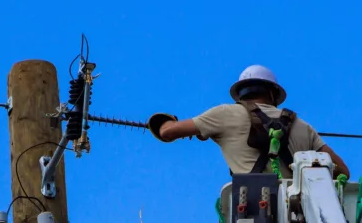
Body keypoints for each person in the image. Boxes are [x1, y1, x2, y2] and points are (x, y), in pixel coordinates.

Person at [146, 65, 350, 179]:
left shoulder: (224, 114)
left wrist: (165, 121)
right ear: (273, 94)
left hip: (253, 215)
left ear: (240, 94)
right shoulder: (303, 127)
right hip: (299, 218)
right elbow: (342, 171)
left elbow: (167, 132)